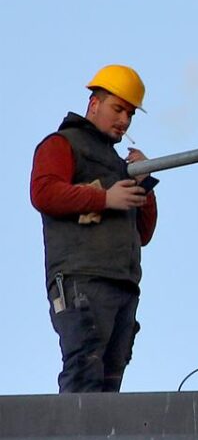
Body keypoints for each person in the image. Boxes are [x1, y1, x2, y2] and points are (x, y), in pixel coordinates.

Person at [30, 65, 159, 393]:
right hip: (81, 279)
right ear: (94, 105)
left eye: (130, 114)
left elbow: (142, 234)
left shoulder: (119, 165)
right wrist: (104, 197)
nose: (124, 120)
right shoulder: (62, 144)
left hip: (122, 284)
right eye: (118, 109)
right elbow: (43, 192)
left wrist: (146, 183)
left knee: (109, 379)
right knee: (84, 367)